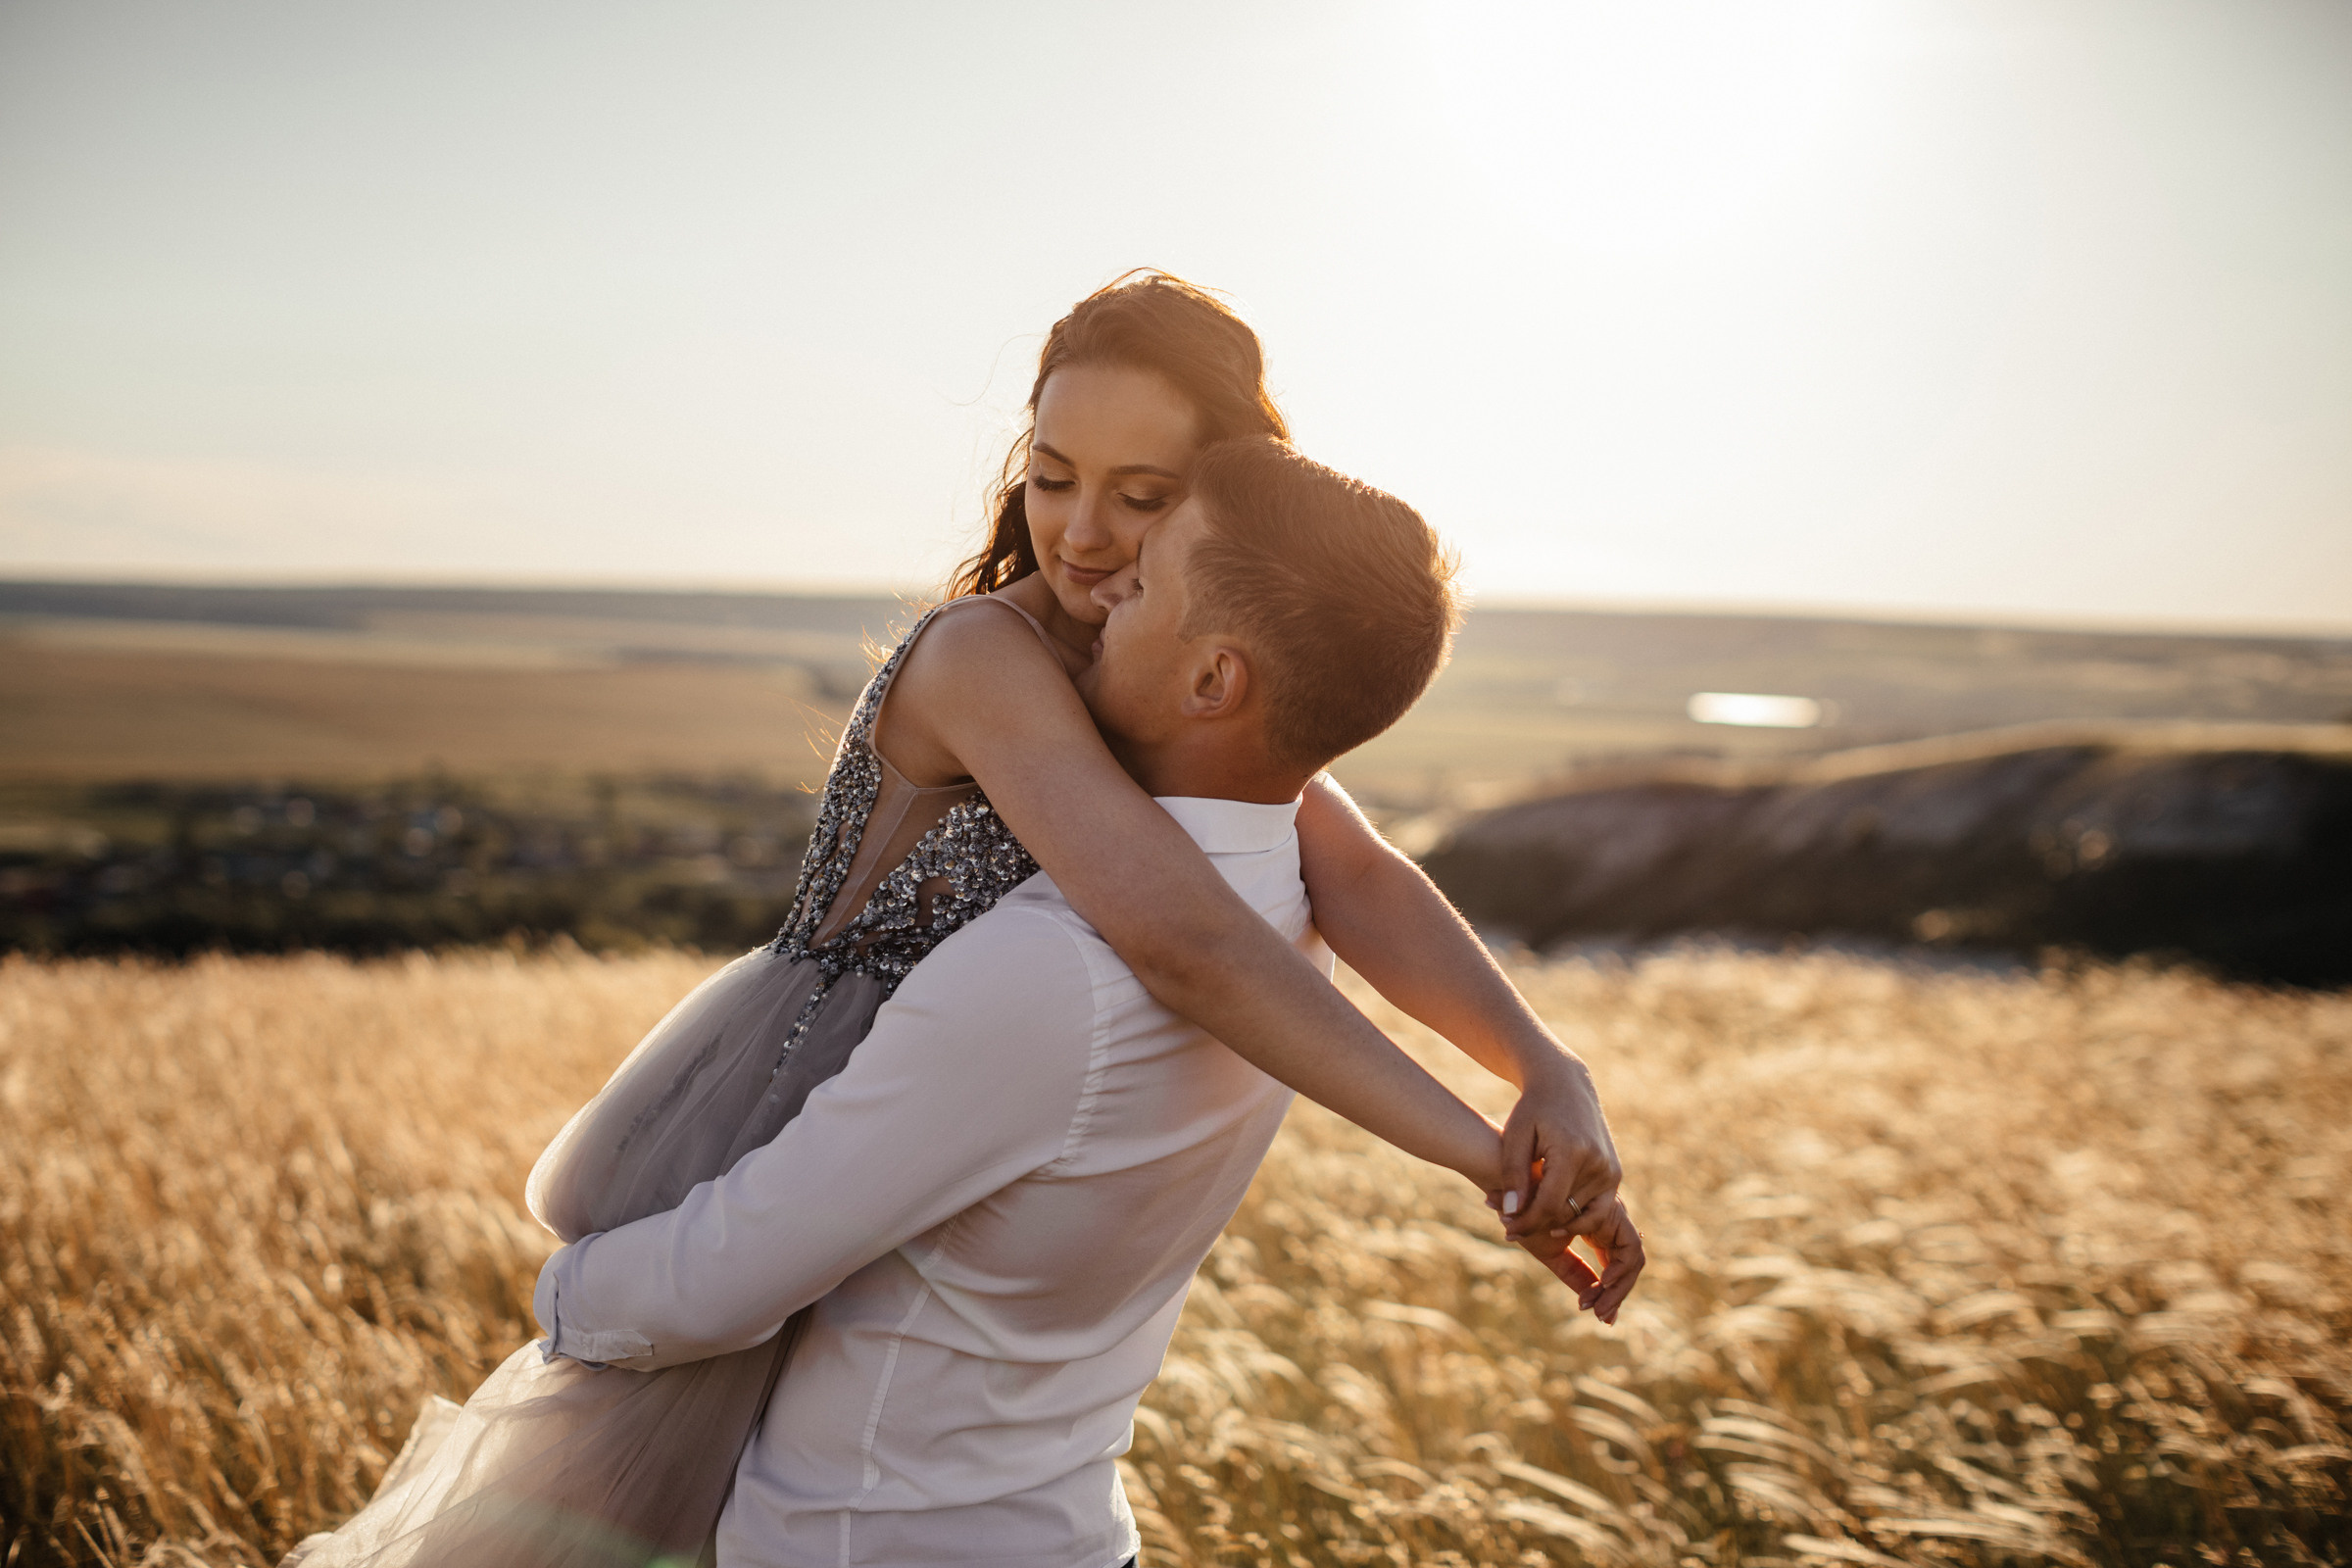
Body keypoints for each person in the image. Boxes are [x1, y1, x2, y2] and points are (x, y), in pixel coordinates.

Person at [281, 273, 1638, 1568]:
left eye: (1142, 498)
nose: (1085, 536)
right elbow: (1184, 941)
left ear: (1216, 500)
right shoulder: (995, 655)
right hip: (798, 1079)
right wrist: (1481, 1157)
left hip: (952, 1119)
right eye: (1051, 479)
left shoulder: (1176, 683)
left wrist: (1544, 1072)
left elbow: (1355, 867)